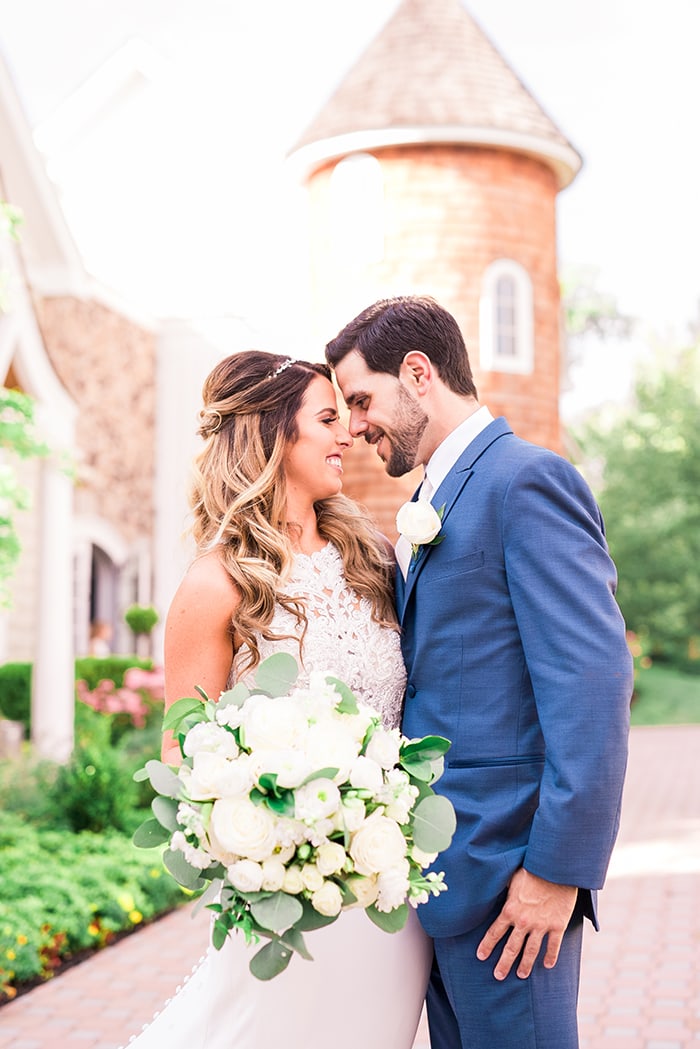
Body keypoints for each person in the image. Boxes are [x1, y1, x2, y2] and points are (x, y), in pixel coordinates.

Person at [325, 295, 632, 1049]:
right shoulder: (438, 495)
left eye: (361, 399)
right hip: (444, 882)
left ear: (419, 374)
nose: (356, 425)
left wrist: (557, 872)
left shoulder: (524, 481)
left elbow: (591, 691)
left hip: (511, 885)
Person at [119, 350, 431, 1049]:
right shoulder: (216, 584)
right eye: (327, 417)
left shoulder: (373, 557)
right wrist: (280, 842)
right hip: (286, 903)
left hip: (387, 896)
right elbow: (182, 760)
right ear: (271, 435)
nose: (348, 432)